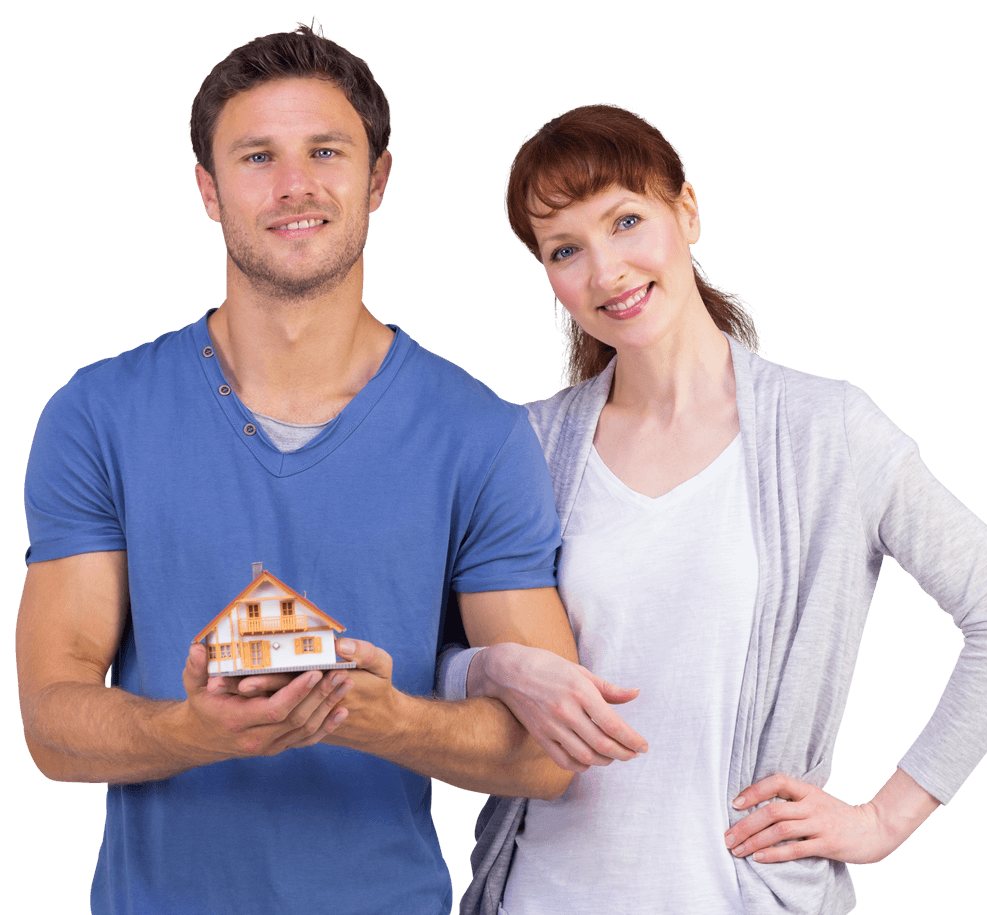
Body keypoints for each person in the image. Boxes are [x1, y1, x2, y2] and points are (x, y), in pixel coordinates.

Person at [436, 104, 987, 915]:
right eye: (566, 249)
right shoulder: (525, 443)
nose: (605, 271)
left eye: (627, 220)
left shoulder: (827, 431)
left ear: (687, 211)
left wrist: (884, 819)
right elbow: (427, 657)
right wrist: (487, 668)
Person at [15, 22, 581, 915]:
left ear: (377, 179)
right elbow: (52, 724)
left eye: (326, 150)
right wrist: (195, 730)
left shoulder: (479, 434)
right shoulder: (97, 416)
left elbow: (549, 753)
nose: (294, 186)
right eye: (256, 157)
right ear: (208, 190)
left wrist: (390, 718)